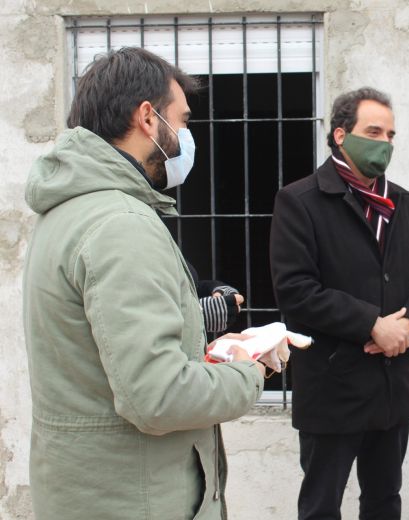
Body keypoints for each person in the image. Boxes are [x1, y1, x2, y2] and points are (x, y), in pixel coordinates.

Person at [23, 47, 264, 520]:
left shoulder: (70, 210)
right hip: (136, 499)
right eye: (184, 120)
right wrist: (248, 375)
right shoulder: (120, 224)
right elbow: (157, 396)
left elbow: (103, 355)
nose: (187, 137)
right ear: (149, 119)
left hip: (94, 491)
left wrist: (204, 352)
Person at [269, 87, 409, 520]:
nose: (384, 143)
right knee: (321, 506)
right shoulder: (301, 201)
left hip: (391, 386)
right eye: (373, 131)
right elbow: (296, 291)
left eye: (390, 134)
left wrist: (408, 327)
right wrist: (372, 324)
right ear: (341, 135)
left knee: (385, 501)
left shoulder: (402, 204)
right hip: (333, 386)